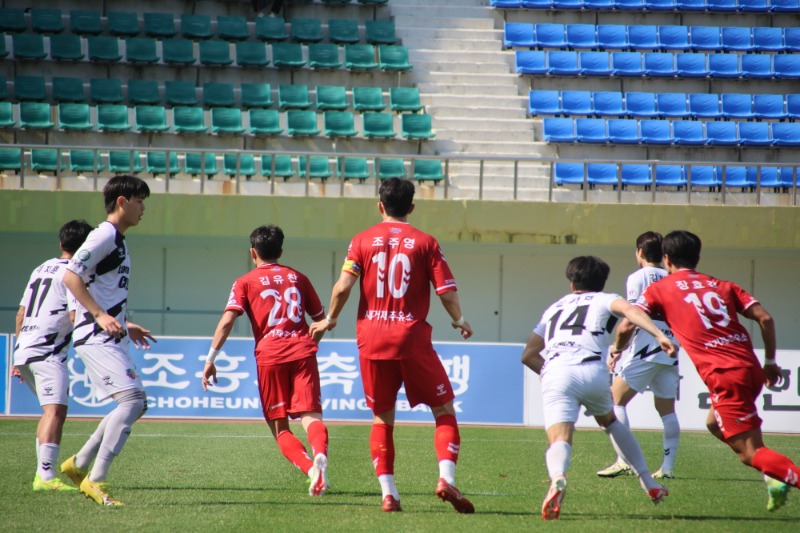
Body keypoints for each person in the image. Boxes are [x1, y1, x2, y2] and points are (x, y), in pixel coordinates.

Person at [309, 178, 475, 514]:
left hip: (371, 338)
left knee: (382, 419)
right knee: (443, 410)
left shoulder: (361, 240)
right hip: (411, 339)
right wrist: (458, 319)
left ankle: (389, 494)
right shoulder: (426, 242)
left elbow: (343, 287)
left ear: (379, 205)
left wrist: (329, 319)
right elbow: (446, 291)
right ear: (412, 207)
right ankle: (446, 478)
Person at [625, 230, 797, 512]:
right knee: (714, 424)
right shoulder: (723, 285)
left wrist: (621, 346)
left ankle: (778, 472)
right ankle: (774, 476)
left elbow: (629, 320)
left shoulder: (661, 288)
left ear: (666, 258)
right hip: (750, 368)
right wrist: (770, 361)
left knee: (751, 453)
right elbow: (765, 318)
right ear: (697, 257)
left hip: (726, 375)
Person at [521, 256, 675, 521]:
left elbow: (529, 355)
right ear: (602, 281)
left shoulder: (554, 307)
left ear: (571, 281)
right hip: (592, 368)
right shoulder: (605, 299)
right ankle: (649, 482)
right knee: (611, 422)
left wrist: (550, 374)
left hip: (556, 371)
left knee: (560, 439)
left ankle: (558, 477)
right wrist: (659, 335)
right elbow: (632, 313)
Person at [201, 225, 330, 497]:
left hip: (270, 356)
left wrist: (210, 359)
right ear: (280, 251)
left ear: (252, 252)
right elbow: (320, 321)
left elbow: (227, 322)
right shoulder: (299, 278)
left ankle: (311, 469)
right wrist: (308, 345)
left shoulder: (245, 281)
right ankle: (320, 454)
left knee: (280, 428)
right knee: (311, 416)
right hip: (302, 353)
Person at [59, 175, 156, 507]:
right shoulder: (103, 235)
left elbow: (101, 287)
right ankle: (95, 479)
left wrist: (126, 324)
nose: (144, 208)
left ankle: (79, 464)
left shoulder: (119, 239)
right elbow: (70, 276)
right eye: (140, 201)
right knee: (133, 402)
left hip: (111, 335)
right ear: (122, 202)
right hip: (96, 335)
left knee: (134, 404)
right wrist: (100, 315)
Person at [13, 219, 93, 492]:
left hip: (26, 347)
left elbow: (21, 312)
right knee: (55, 410)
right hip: (47, 350)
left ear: (61, 244)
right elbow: (74, 314)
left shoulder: (40, 268)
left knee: (51, 410)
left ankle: (42, 473)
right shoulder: (73, 273)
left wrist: (17, 353)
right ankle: (45, 477)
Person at [597, 232, 681, 480]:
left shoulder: (639, 277)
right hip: (670, 347)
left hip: (645, 346)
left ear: (640, 252)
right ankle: (668, 467)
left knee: (614, 402)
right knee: (667, 410)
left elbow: (632, 316)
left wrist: (617, 349)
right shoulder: (672, 278)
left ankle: (623, 460)